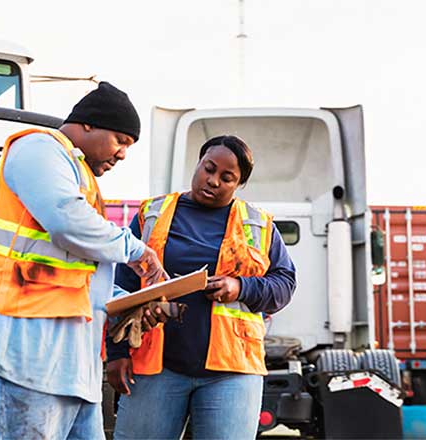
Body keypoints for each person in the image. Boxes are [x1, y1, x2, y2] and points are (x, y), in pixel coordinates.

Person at [0, 82, 167, 440]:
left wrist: (126, 304)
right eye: (120, 140)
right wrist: (138, 252)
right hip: (22, 354)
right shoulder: (38, 148)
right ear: (88, 124)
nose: (122, 155)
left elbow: (78, 276)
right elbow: (65, 221)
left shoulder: (78, 174)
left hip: (68, 366)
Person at [106, 135, 297, 440]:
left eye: (227, 177)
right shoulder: (152, 214)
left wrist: (240, 287)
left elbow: (285, 283)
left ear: (239, 185)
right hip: (158, 367)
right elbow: (122, 287)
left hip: (232, 373)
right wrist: (116, 353)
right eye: (208, 168)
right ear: (197, 163)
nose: (213, 181)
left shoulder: (257, 225)